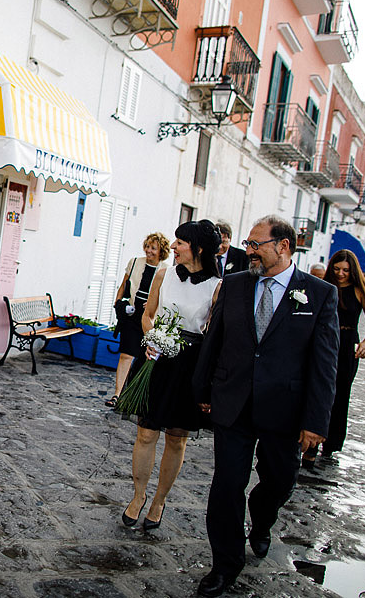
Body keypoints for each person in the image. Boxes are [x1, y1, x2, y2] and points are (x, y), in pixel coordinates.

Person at [192, 216, 338, 597]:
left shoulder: (319, 294)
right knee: (226, 485)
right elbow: (215, 338)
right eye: (249, 243)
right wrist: (203, 389)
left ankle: (261, 521)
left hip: (284, 411)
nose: (249, 250)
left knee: (279, 481)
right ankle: (225, 564)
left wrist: (316, 420)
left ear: (284, 246)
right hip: (233, 403)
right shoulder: (235, 284)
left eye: (256, 244)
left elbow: (325, 364)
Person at [119, 221, 221, 531]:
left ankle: (159, 500)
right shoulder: (163, 275)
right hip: (156, 359)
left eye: (180, 243)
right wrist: (151, 340)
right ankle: (138, 496)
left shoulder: (217, 286)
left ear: (199, 249)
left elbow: (214, 334)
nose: (173, 248)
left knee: (176, 440)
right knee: (145, 432)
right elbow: (148, 315)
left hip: (189, 366)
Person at [302, 249, 365, 469]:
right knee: (318, 389)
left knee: (341, 393)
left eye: (345, 270)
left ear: (352, 270)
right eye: (337, 269)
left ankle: (331, 442)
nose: (341, 274)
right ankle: (311, 442)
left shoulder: (360, 290)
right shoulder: (325, 287)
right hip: (323, 342)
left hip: (347, 346)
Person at [105, 232, 170, 408]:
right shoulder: (134, 263)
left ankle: (134, 396)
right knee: (126, 354)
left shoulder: (166, 270)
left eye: (153, 248)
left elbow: (165, 296)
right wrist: (118, 302)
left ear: (161, 251)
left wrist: (153, 304)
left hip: (150, 318)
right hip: (132, 315)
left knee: (145, 357)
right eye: (147, 246)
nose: (149, 251)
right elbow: (124, 284)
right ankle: (117, 395)